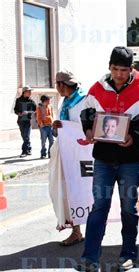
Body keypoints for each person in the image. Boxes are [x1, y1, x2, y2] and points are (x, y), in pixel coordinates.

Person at [74, 46, 139, 272]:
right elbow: (86, 113)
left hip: (130, 160)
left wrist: (135, 135)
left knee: (128, 209)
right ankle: (90, 258)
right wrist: (88, 130)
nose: (119, 74)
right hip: (103, 158)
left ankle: (128, 255)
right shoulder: (96, 88)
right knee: (99, 207)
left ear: (131, 69)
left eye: (124, 70)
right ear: (109, 67)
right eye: (115, 69)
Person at [51, 69, 87, 246]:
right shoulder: (65, 103)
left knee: (81, 190)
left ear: (62, 85)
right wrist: (58, 127)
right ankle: (76, 230)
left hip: (81, 155)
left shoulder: (84, 101)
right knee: (68, 190)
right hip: (67, 154)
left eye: (57, 84)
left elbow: (85, 127)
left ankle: (85, 230)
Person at [14, 86, 37, 157]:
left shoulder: (32, 101)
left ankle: (24, 151)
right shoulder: (18, 100)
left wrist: (28, 112)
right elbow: (15, 109)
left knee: (26, 136)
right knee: (24, 136)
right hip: (20, 121)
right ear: (24, 92)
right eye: (29, 91)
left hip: (28, 121)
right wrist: (19, 113)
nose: (30, 93)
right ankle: (29, 149)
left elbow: (35, 111)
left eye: (30, 91)